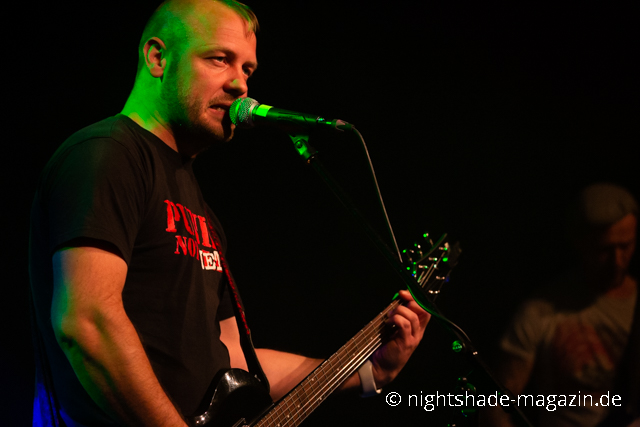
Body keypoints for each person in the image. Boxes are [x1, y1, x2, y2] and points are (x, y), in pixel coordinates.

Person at [29, 1, 431, 426]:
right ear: (158, 58)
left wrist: (369, 372)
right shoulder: (107, 155)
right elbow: (87, 322)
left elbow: (231, 356)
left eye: (248, 69)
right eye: (219, 59)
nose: (241, 84)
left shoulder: (202, 210)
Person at [481, 183, 639, 426]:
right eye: (604, 249)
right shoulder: (539, 311)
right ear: (580, 243)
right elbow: (496, 406)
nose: (617, 261)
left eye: (626, 246)